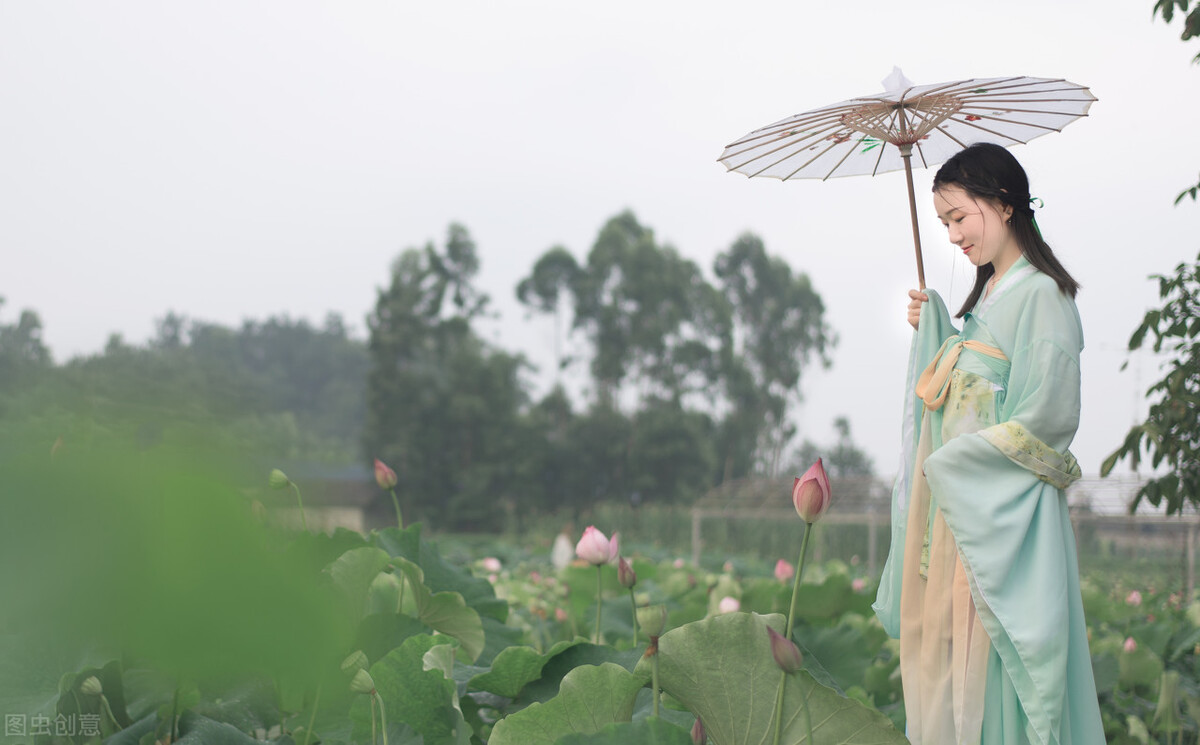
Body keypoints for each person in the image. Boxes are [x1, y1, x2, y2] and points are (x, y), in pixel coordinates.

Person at [872, 143, 1104, 744]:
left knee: (1003, 672)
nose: (951, 236)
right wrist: (940, 334)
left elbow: (1046, 418)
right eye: (944, 223)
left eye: (958, 217)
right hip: (962, 518)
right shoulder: (991, 299)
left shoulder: (1043, 297)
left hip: (1000, 520)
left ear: (1003, 204)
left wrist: (956, 464)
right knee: (959, 673)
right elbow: (972, 389)